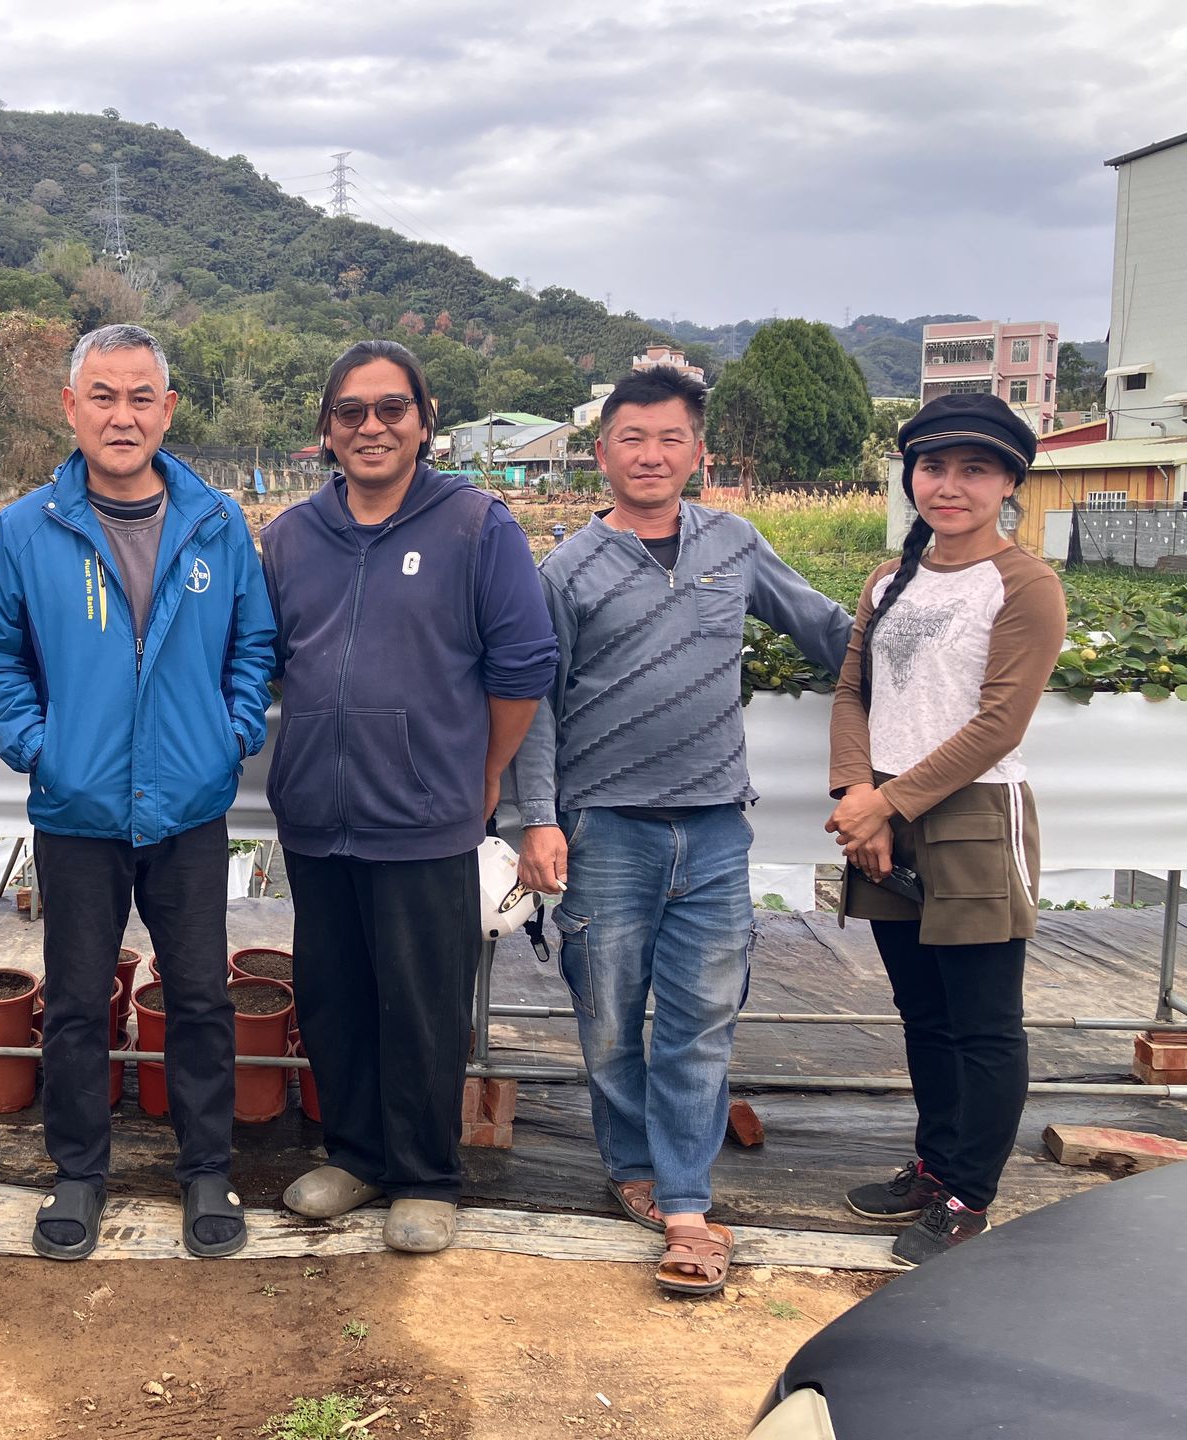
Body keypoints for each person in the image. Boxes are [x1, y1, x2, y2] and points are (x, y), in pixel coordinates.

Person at [511, 365, 852, 1296]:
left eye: (670, 439)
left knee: (701, 1020)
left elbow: (828, 632)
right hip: (604, 828)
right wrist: (538, 820)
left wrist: (933, 633)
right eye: (633, 438)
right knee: (611, 1016)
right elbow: (535, 703)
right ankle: (632, 1170)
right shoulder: (566, 571)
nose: (652, 455)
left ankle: (690, 1204)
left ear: (698, 451)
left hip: (712, 829)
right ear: (602, 451)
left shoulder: (734, 544)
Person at [0, 323, 275, 1260]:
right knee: (71, 999)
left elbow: (253, 650)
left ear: (169, 410)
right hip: (79, 811)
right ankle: (78, 1173)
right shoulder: (29, 527)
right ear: (70, 407)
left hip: (187, 810)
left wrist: (227, 739)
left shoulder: (216, 524)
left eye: (142, 397)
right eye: (102, 395)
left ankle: (206, 1171)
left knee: (199, 997)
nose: (122, 414)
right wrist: (41, 748)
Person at [263, 339, 558, 1253]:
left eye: (392, 408)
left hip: (427, 817)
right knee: (336, 996)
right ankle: (354, 1156)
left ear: (425, 423)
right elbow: (268, 663)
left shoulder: (476, 525)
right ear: (326, 430)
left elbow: (523, 667)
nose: (371, 427)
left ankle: (425, 1174)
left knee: (424, 1003)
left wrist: (485, 774)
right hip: (317, 813)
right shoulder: (291, 537)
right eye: (350, 411)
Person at [826, 394, 1066, 1268]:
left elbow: (998, 724)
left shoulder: (1025, 585)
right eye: (934, 467)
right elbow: (854, 691)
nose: (950, 485)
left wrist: (888, 804)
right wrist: (859, 792)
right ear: (911, 476)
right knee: (922, 1013)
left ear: (1008, 482)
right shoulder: (890, 582)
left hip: (970, 816)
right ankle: (934, 1167)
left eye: (974, 469)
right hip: (884, 811)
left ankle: (971, 1191)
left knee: (984, 1020)